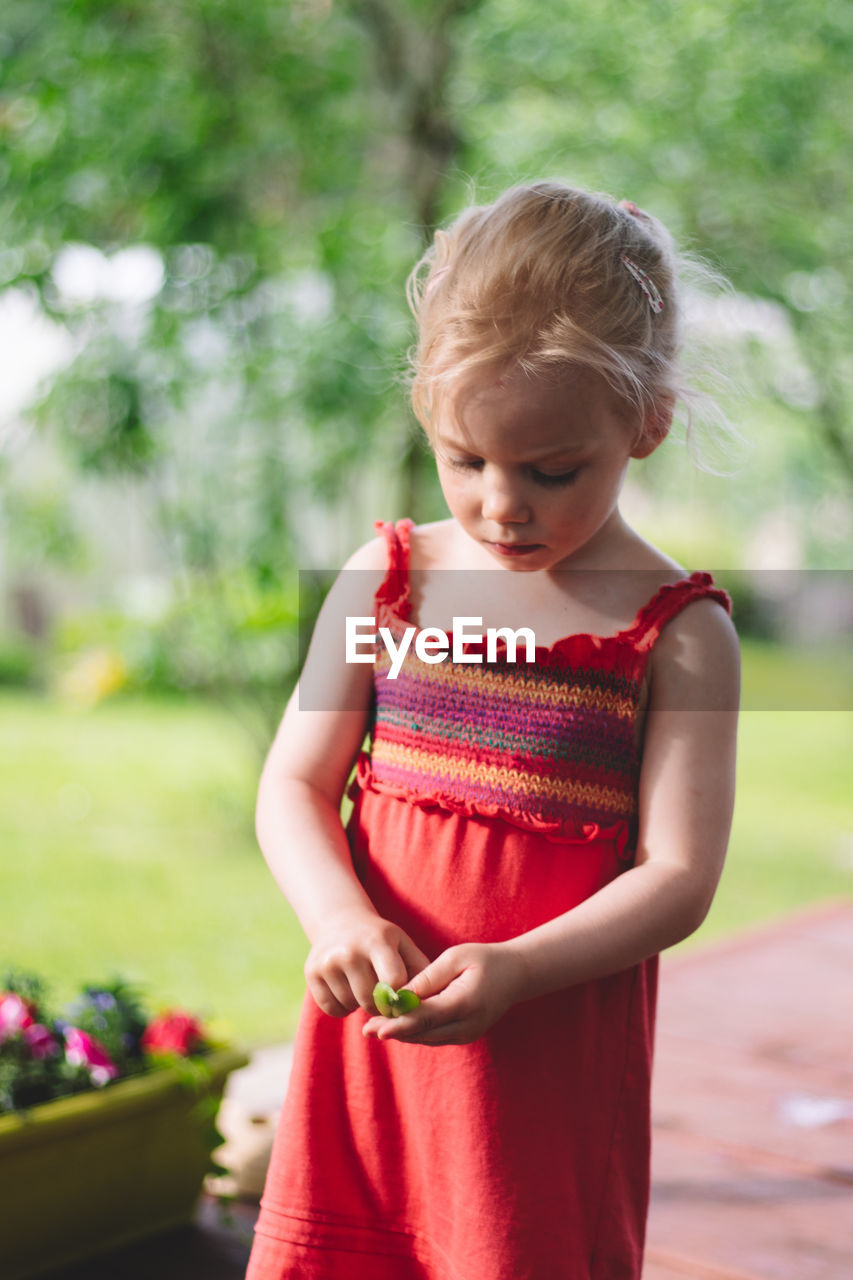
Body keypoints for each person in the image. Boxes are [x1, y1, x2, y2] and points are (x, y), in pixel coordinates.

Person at [246, 182, 740, 1280]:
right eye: (463, 460)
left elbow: (679, 875)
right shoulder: (389, 584)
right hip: (373, 1050)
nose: (502, 504)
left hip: (542, 1055)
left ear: (644, 422)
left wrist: (517, 967)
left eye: (550, 470)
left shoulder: (675, 633)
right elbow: (293, 783)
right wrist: (337, 919)